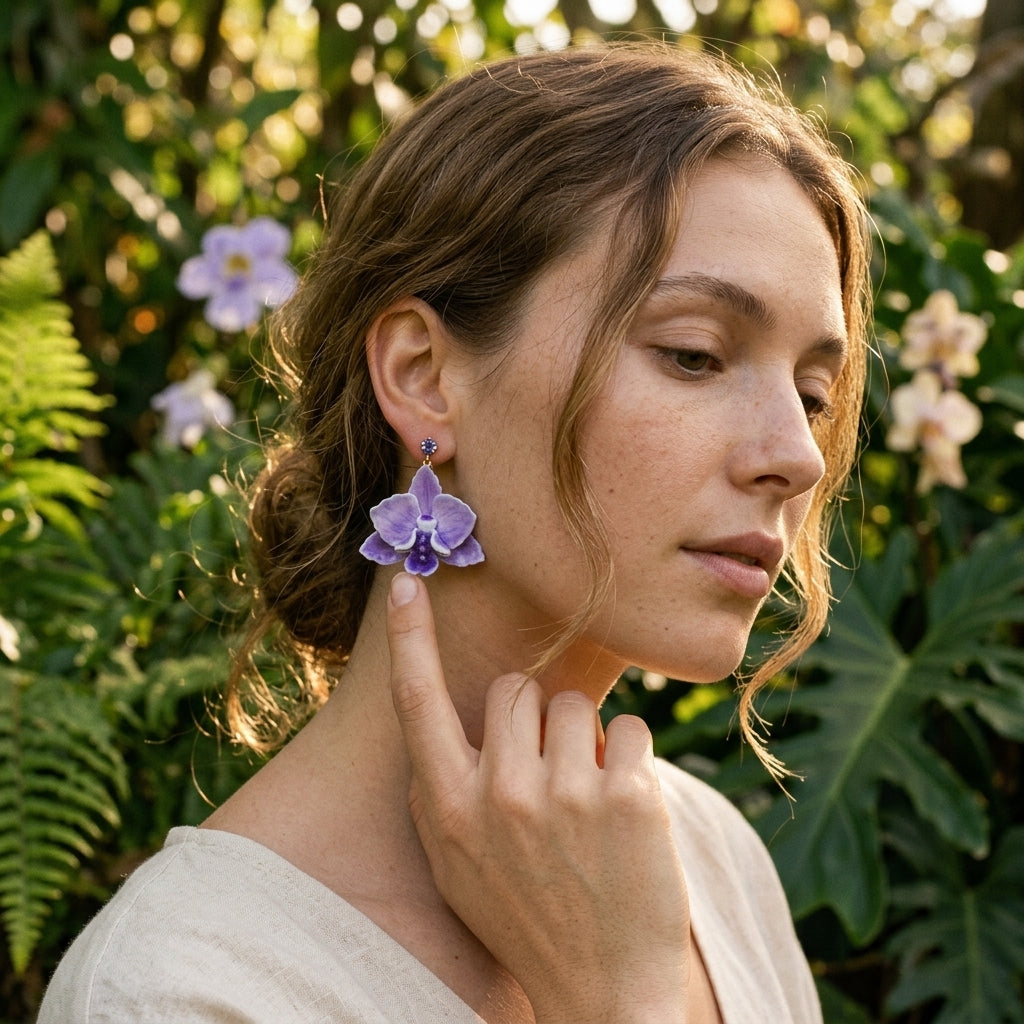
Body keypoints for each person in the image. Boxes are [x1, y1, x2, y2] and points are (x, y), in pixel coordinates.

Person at [39, 40, 869, 1024]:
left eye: (811, 393)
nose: (798, 456)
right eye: (693, 355)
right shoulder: (188, 989)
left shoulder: (704, 859)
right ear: (425, 376)